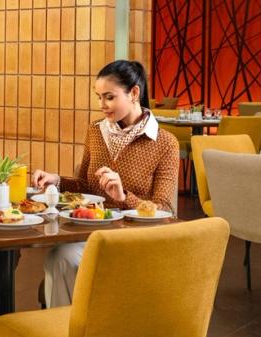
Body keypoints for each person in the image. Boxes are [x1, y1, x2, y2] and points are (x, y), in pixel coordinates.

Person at [30, 60, 179, 308]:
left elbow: (165, 210)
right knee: (60, 258)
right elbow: (86, 186)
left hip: (135, 239)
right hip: (92, 232)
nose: (102, 105)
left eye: (109, 97)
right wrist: (57, 180)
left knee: (63, 257)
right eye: (99, 97)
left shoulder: (165, 143)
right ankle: (65, 324)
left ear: (134, 93)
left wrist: (123, 197)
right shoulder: (96, 131)